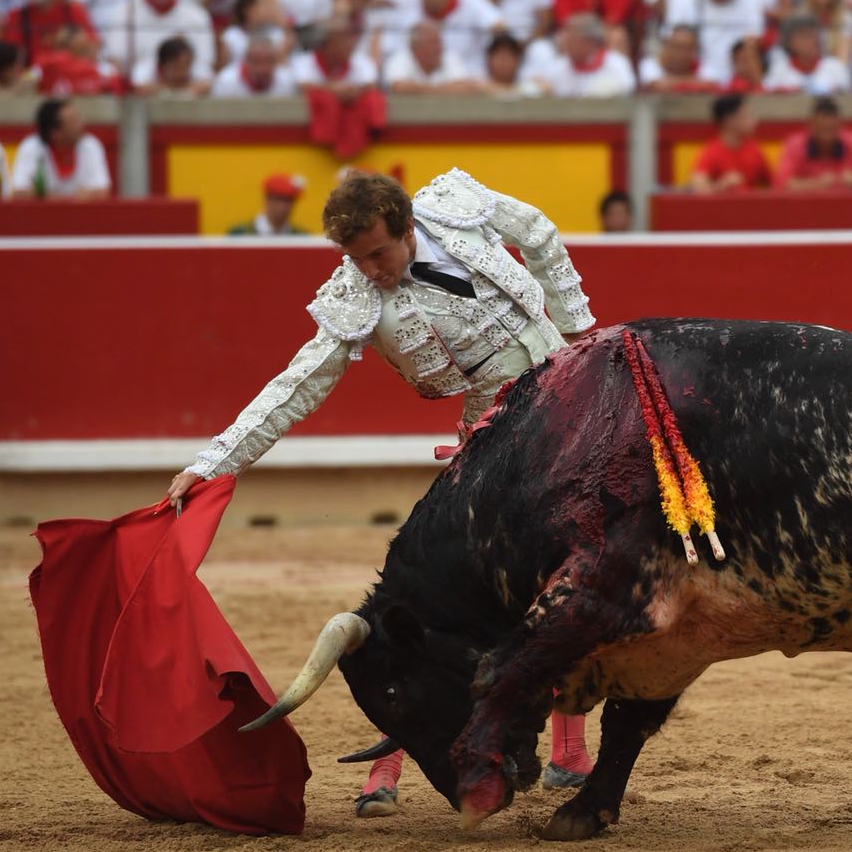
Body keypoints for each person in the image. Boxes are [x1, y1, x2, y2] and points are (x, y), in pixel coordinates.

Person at [165, 168, 599, 816]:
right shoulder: (355, 297)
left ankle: (570, 748)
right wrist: (215, 461)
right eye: (354, 258)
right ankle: (395, 750)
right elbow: (295, 385)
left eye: (378, 253)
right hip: (498, 433)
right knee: (452, 603)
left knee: (595, 567)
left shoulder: (454, 205)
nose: (369, 270)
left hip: (577, 393)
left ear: (406, 228)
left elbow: (536, 230)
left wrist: (579, 328)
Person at [773, 96, 852, 191]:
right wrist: (817, 184)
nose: (826, 137)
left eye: (831, 130)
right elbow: (781, 185)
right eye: (821, 130)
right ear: (811, 124)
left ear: (840, 125)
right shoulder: (795, 145)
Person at [11, 97, 112, 198]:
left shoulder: (90, 145)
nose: (81, 124)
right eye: (73, 122)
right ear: (55, 133)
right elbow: (19, 193)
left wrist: (44, 196)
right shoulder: (31, 147)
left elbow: (102, 192)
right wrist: (73, 198)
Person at [688, 92, 770, 193]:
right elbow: (698, 188)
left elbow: (774, 184)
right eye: (745, 116)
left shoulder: (754, 148)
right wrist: (721, 186)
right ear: (729, 120)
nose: (754, 121)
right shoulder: (712, 151)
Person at [213, 31, 297, 96]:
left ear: (276, 60)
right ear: (247, 60)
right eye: (256, 61)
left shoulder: (287, 81)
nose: (263, 68)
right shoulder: (226, 81)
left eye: (269, 60)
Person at [229, 172, 311, 234]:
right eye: (279, 199)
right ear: (267, 199)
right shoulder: (241, 233)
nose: (284, 207)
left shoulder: (301, 236)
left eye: (289, 201)